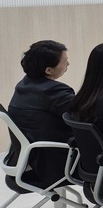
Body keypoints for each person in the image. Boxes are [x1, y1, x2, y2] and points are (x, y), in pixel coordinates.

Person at [7, 40, 74, 187]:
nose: (68, 64)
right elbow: (85, 118)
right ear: (48, 70)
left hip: (25, 161)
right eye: (65, 62)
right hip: (53, 167)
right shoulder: (55, 91)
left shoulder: (23, 85)